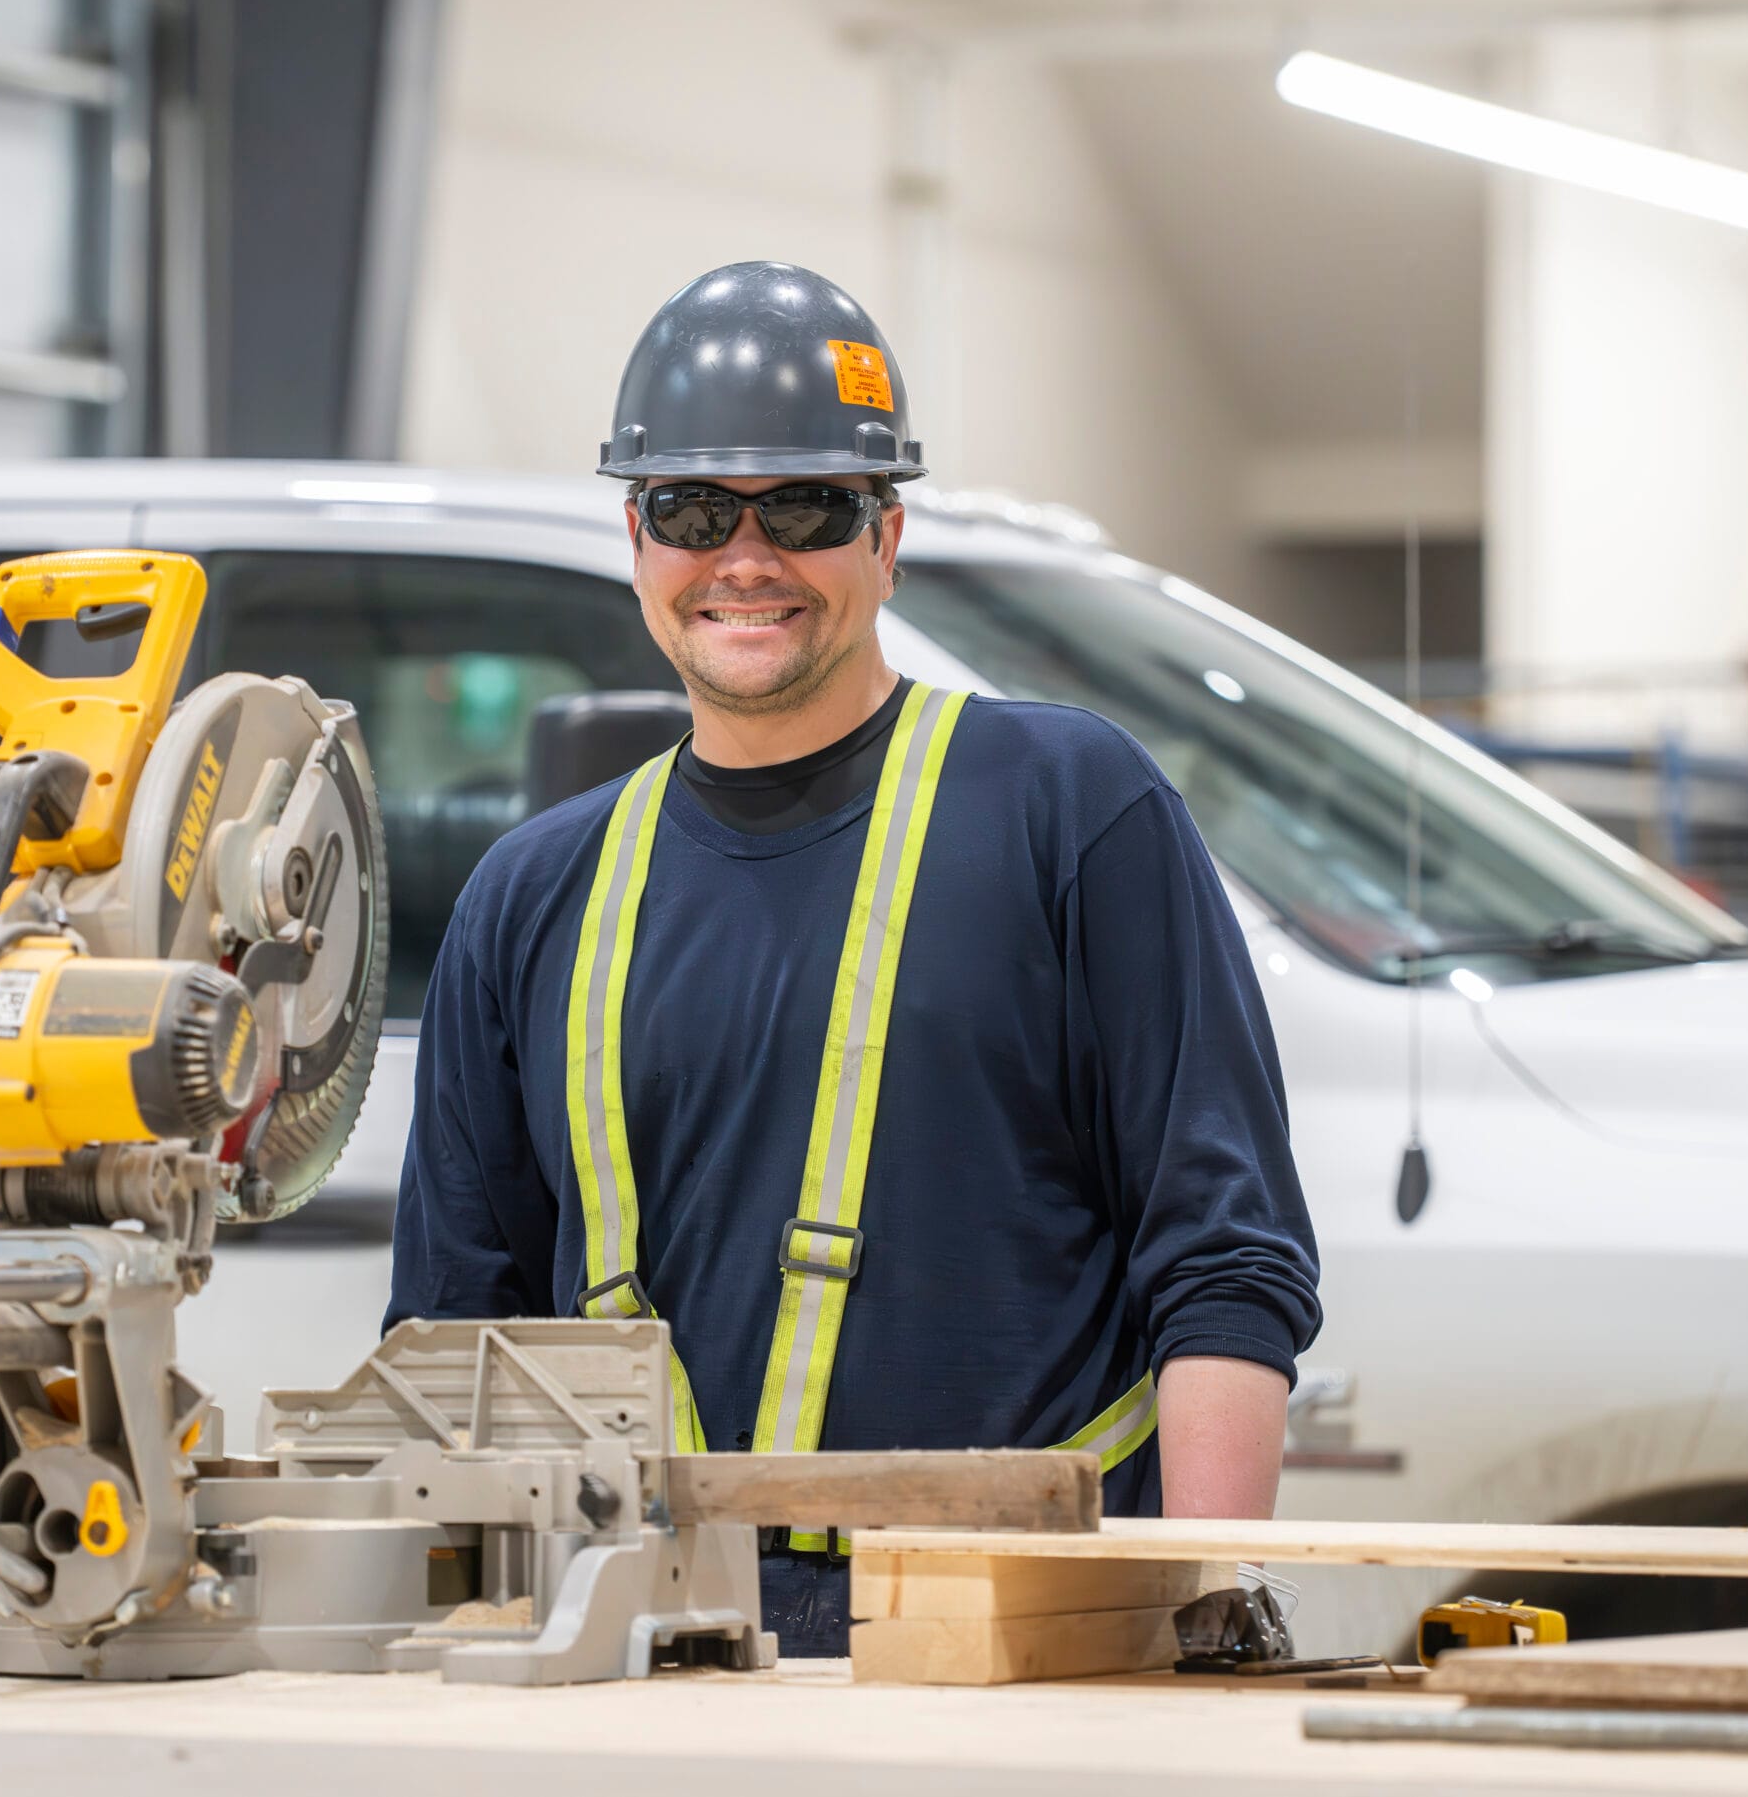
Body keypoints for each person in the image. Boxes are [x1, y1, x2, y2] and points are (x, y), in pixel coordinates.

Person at [386, 260, 1321, 1656]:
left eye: (808, 508)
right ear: (636, 537)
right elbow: (460, 1341)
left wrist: (1212, 1609)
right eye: (695, 509)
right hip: (652, 1651)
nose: (746, 559)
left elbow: (1224, 1258)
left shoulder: (1068, 805)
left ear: (886, 535)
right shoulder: (536, 897)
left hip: (1018, 1646)